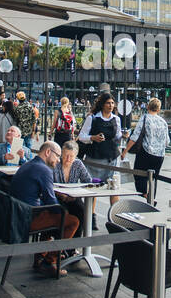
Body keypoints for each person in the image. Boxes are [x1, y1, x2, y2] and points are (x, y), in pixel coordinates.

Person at [9, 141, 79, 275]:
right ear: (48, 152)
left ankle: (41, 257)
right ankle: (50, 261)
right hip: (28, 218)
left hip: (16, 214)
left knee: (54, 217)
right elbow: (50, 200)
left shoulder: (28, 164)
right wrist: (63, 211)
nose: (58, 160)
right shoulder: (44, 170)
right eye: (57, 156)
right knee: (72, 221)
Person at [78, 92, 123, 206]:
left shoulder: (116, 119)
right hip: (95, 158)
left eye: (112, 103)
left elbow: (117, 136)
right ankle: (91, 218)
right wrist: (93, 137)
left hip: (111, 157)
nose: (111, 105)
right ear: (102, 104)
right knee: (93, 189)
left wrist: (123, 137)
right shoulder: (92, 118)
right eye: (108, 103)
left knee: (114, 188)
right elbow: (82, 136)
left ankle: (114, 216)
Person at [123, 98, 168, 198]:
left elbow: (135, 136)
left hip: (146, 152)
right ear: (159, 109)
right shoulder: (163, 122)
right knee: (154, 178)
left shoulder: (145, 118)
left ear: (148, 107)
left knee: (139, 174)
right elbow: (167, 142)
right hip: (160, 155)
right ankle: (152, 197)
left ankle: (144, 194)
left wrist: (125, 151)